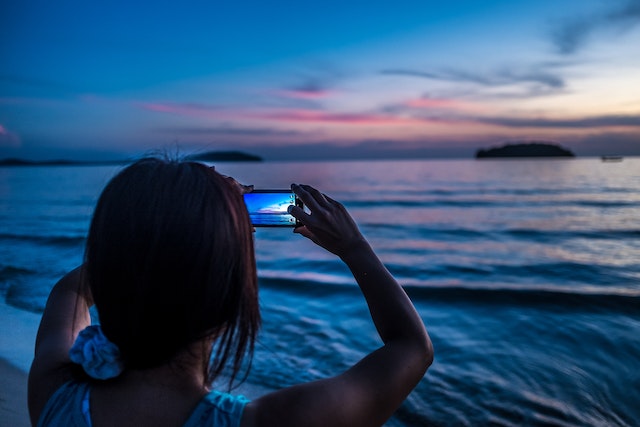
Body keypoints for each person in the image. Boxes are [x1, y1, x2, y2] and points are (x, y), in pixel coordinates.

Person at [28, 157, 433, 427]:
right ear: (231, 296)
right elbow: (413, 348)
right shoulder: (274, 422)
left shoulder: (55, 396)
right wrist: (354, 247)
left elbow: (72, 289)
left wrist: (170, 231)